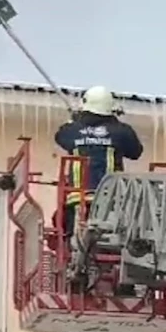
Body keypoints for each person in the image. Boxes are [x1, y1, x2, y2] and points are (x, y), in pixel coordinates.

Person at [54, 85, 143, 238]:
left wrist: (75, 120)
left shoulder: (71, 130)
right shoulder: (122, 131)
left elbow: (60, 137)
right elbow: (136, 152)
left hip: (77, 199)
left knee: (71, 235)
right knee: (109, 240)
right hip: (111, 201)